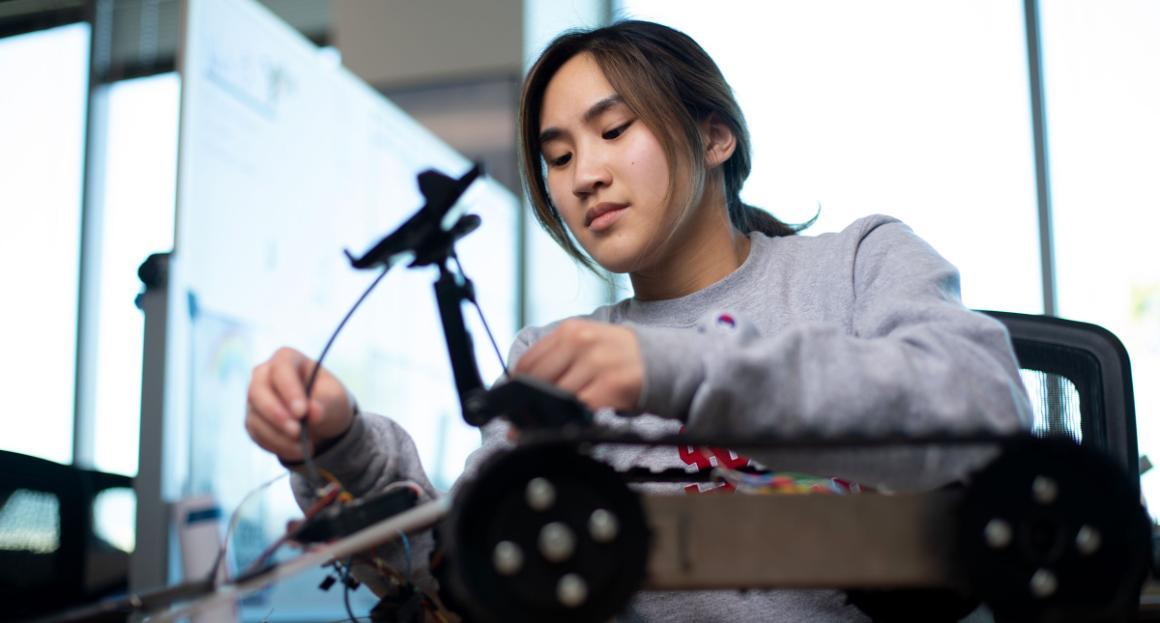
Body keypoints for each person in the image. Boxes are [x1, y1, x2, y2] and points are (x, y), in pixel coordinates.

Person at [245, 20, 1031, 622]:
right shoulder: (551, 358)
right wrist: (342, 441)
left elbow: (986, 409)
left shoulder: (856, 265)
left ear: (715, 135)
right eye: (557, 157)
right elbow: (466, 565)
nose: (585, 175)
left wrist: (674, 369)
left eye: (614, 131)